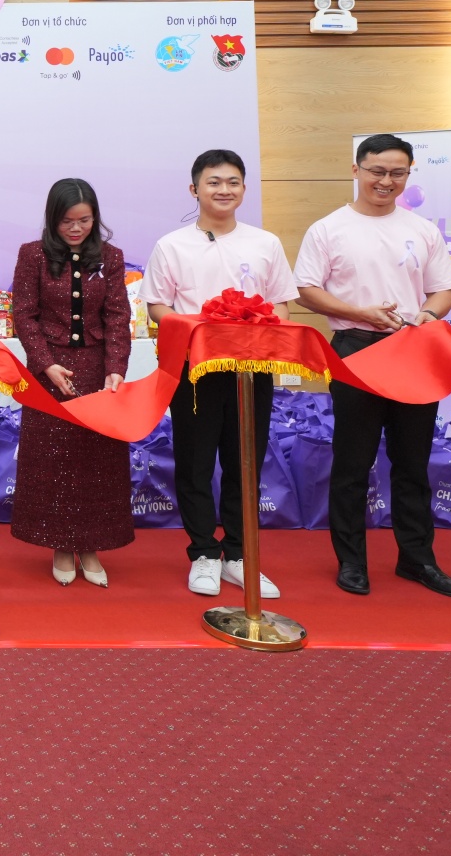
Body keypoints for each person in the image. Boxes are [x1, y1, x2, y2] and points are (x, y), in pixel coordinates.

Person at [294, 133, 451, 599]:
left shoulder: (422, 229)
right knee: (353, 461)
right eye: (376, 171)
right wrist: (359, 313)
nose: (386, 181)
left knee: (413, 462)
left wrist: (428, 314)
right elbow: (306, 290)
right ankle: (352, 561)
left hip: (413, 350)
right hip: (357, 349)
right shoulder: (329, 229)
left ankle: (418, 559)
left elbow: (443, 289)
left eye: (397, 173)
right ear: (356, 170)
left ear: (408, 175)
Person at [140, 148, 298, 600]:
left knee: (245, 461)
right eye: (213, 182)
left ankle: (240, 556)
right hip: (195, 370)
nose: (223, 190)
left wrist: (262, 326)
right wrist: (198, 329)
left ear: (244, 189)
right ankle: (204, 554)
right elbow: (157, 306)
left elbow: (281, 304)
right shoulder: (172, 244)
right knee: (195, 462)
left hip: (251, 369)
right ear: (194, 189)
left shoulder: (265, 243)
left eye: (232, 182)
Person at [8, 178, 133, 587]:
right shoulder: (32, 254)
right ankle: (61, 546)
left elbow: (117, 316)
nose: (76, 229)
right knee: (54, 462)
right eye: (67, 222)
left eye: (84, 220)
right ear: (52, 219)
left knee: (96, 461)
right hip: (49, 375)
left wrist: (116, 367)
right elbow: (24, 315)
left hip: (97, 372)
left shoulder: (111, 257)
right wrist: (46, 365)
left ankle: (91, 546)